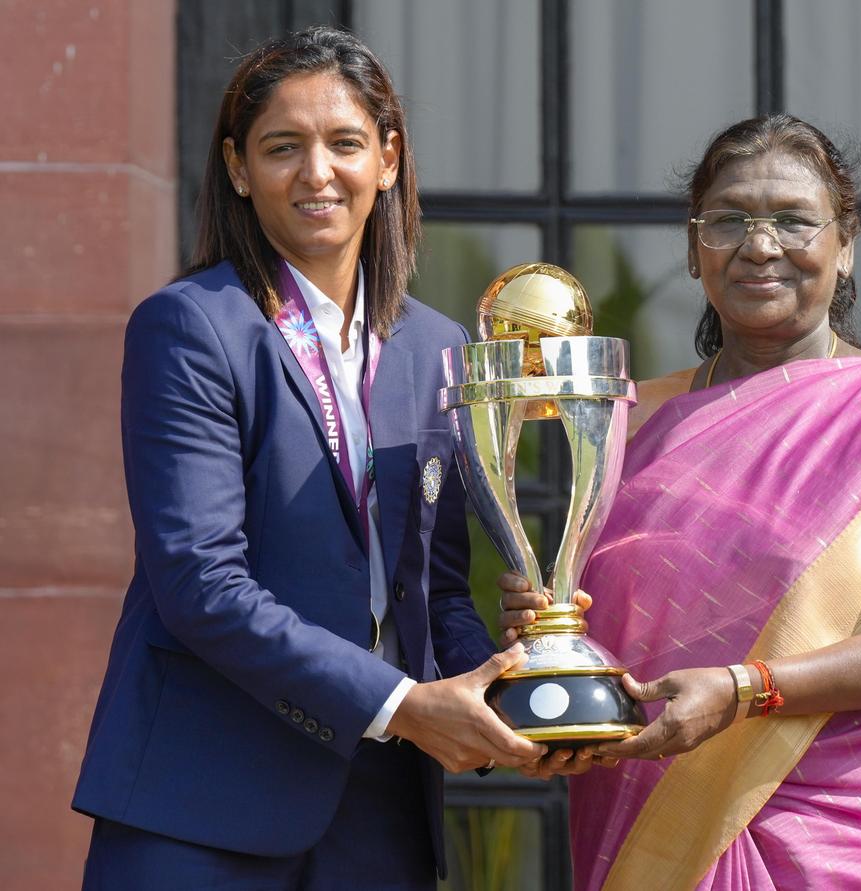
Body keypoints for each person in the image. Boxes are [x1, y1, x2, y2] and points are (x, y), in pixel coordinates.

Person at [500, 114, 861, 889]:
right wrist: (549, 630)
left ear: (845, 247)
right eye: (730, 219)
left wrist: (747, 690)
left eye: (794, 221)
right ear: (693, 246)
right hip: (656, 825)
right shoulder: (628, 426)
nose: (760, 245)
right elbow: (621, 631)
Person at [72, 26, 544, 889]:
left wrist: (505, 690)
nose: (316, 172)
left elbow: (435, 588)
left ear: (389, 160)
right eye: (282, 147)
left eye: (346, 143)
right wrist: (403, 705)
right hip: (204, 807)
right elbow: (201, 584)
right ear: (239, 168)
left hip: (380, 819)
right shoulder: (191, 327)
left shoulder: (437, 347)